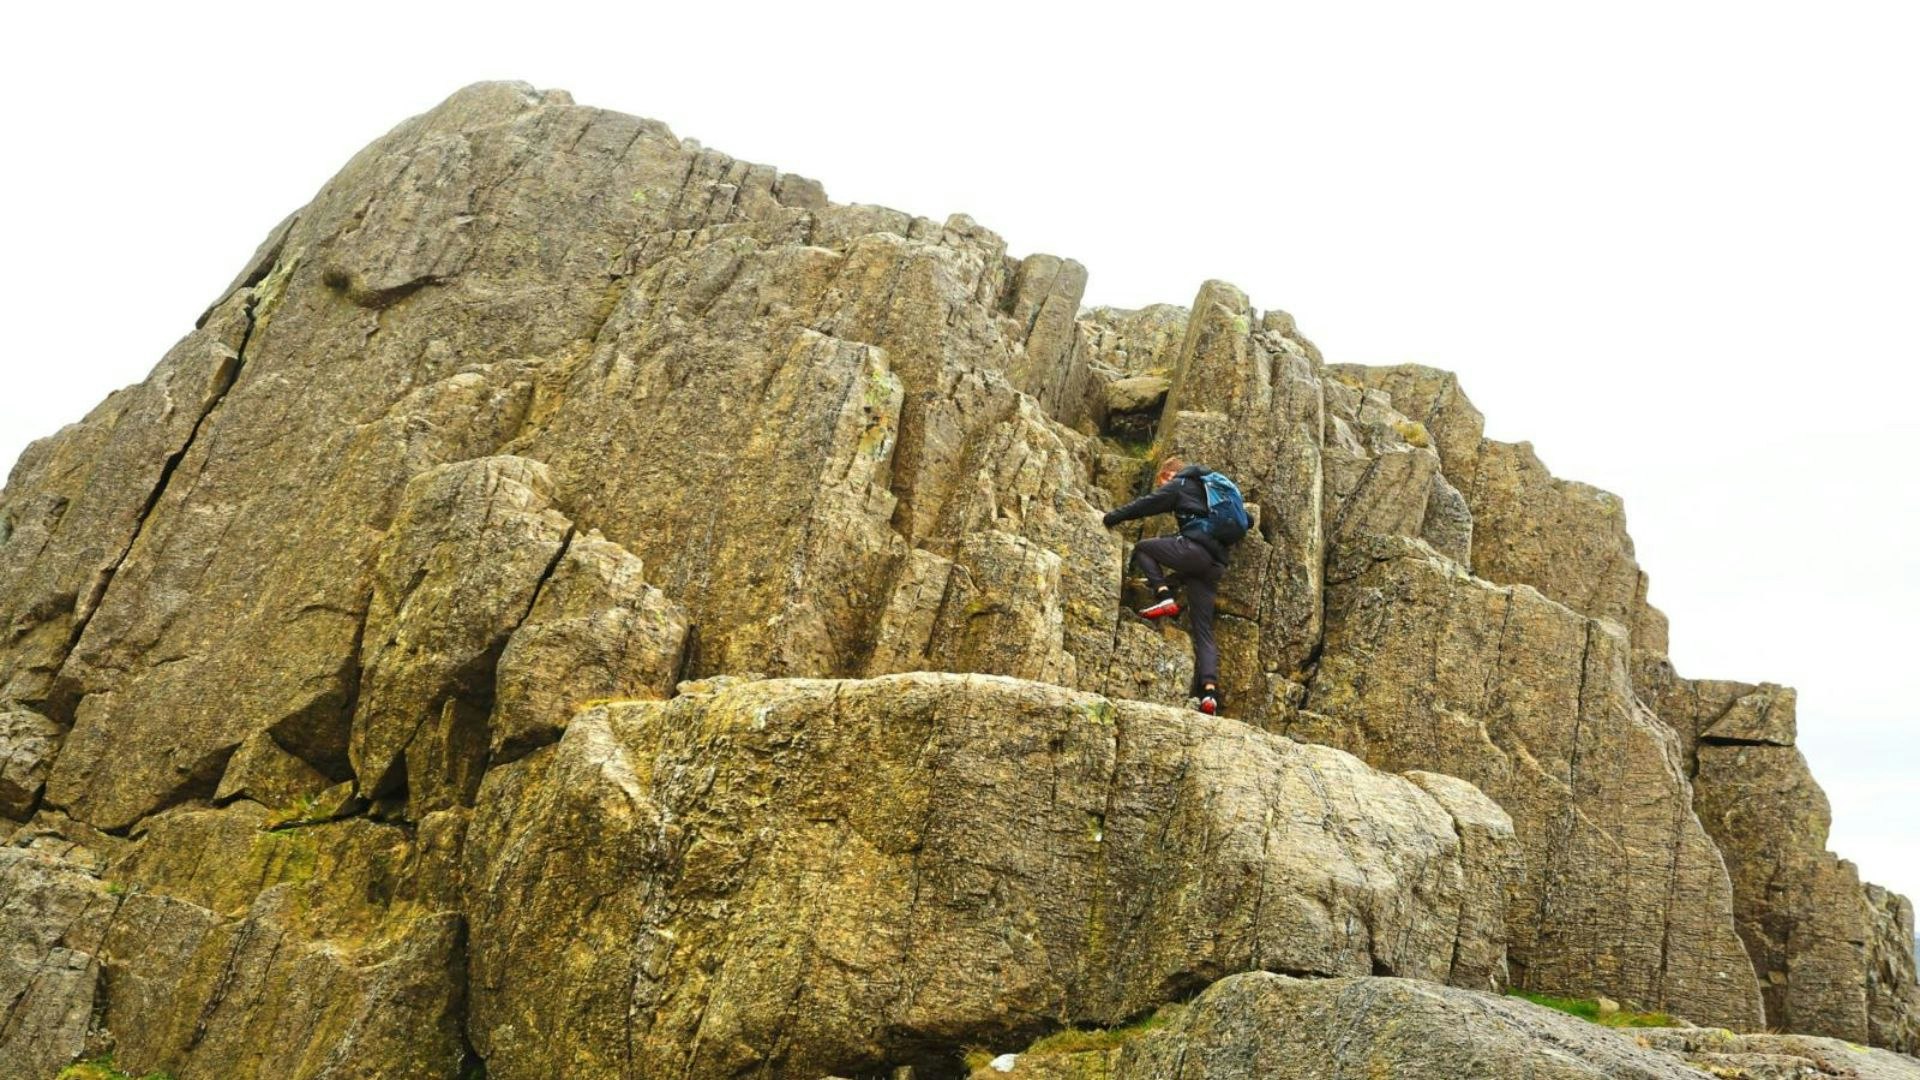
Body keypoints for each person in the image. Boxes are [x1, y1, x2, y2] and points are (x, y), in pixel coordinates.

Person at [1100, 456, 1238, 715]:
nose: (1160, 487)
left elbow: (1145, 505)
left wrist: (1110, 518)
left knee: (1143, 549)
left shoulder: (1179, 484)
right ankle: (1209, 693)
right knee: (1203, 630)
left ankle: (1163, 595)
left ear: (1168, 475)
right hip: (1213, 567)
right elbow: (1248, 521)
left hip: (1193, 551)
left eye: (1161, 481)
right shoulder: (1214, 491)